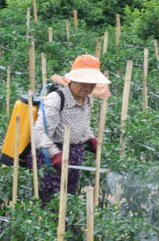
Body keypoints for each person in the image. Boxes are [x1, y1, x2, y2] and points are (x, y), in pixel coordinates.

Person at [29, 54, 111, 204]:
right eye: (83, 82)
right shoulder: (57, 99)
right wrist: (55, 155)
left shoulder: (87, 100)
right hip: (50, 161)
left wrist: (89, 138)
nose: (88, 87)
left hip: (74, 160)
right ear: (72, 80)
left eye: (92, 83)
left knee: (69, 203)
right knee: (53, 205)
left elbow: (82, 124)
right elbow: (38, 132)